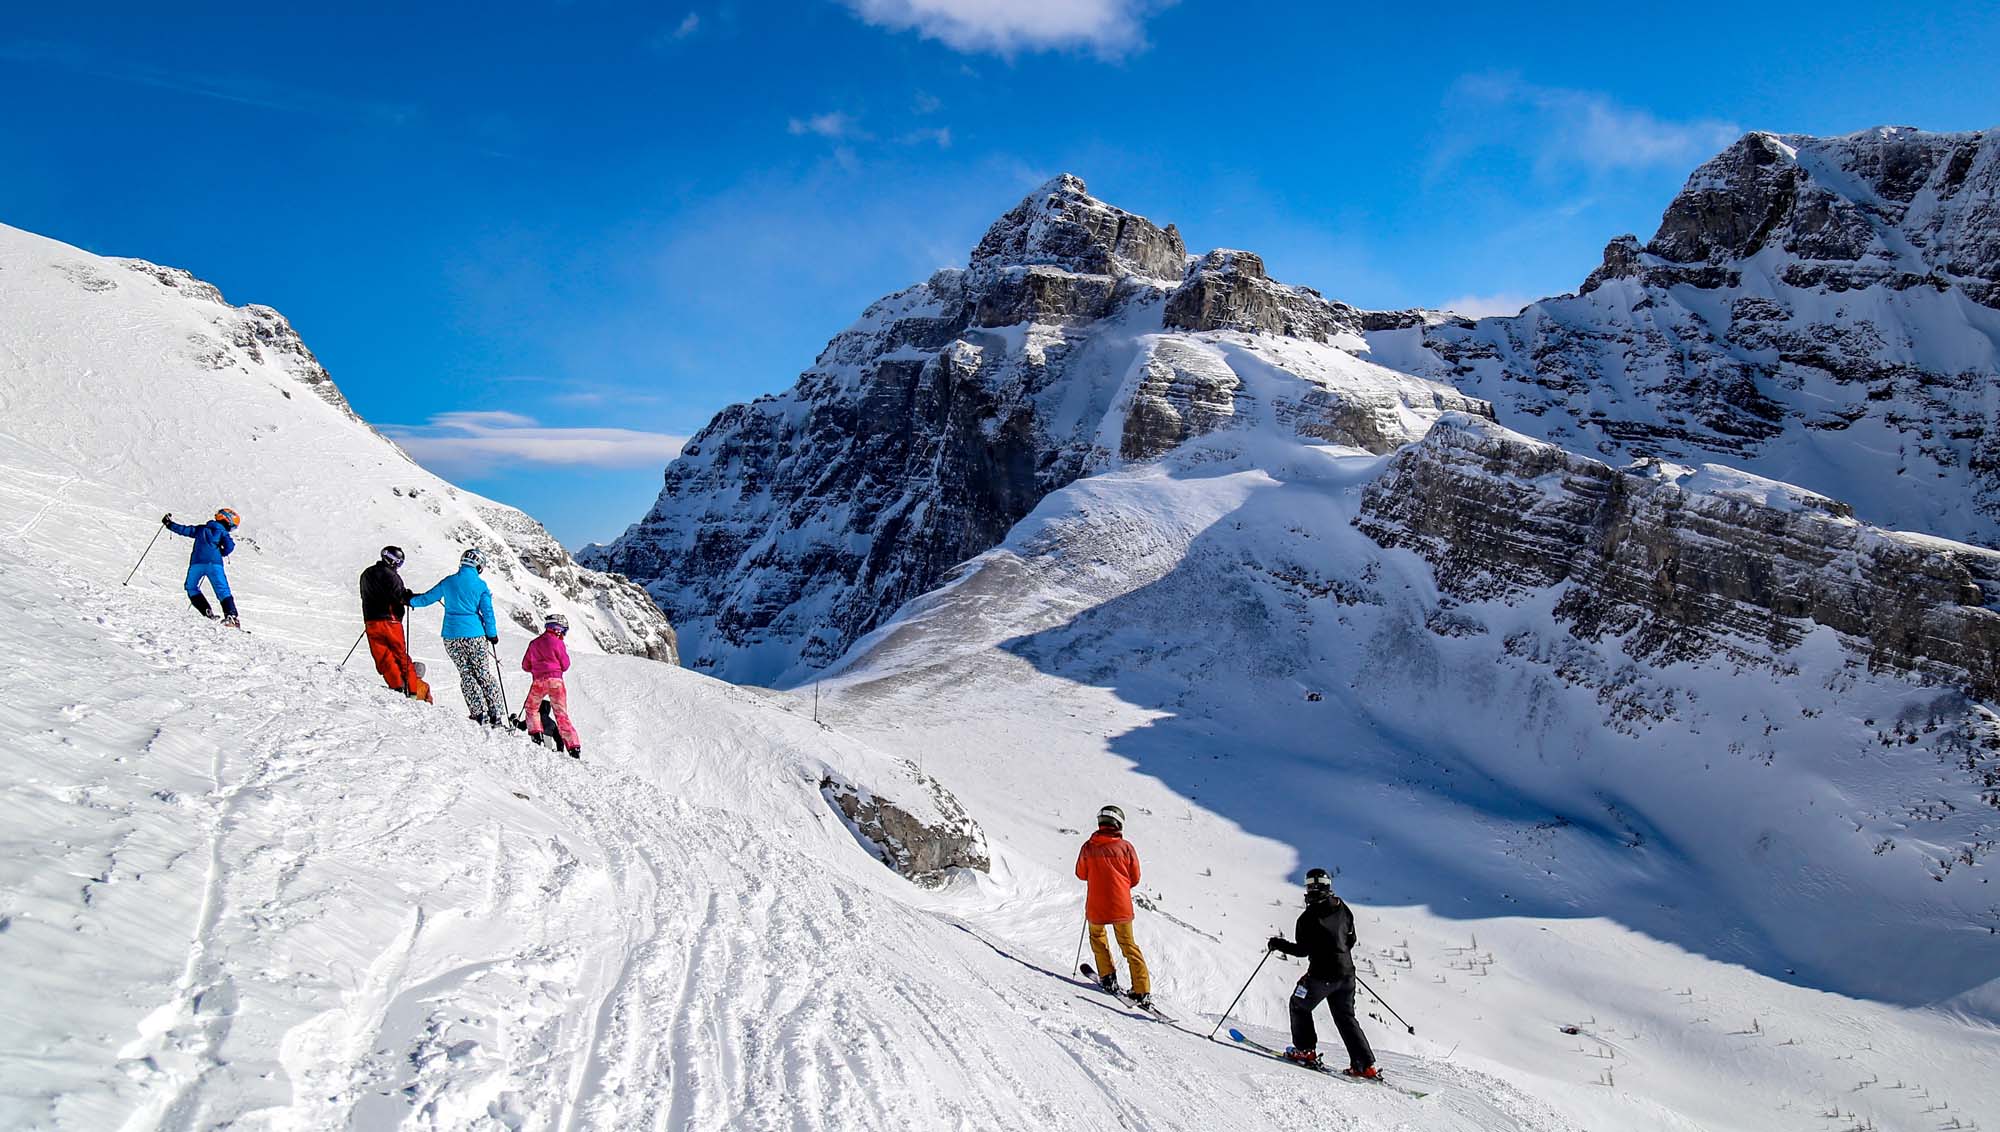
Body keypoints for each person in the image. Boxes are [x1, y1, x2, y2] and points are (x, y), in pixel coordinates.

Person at [1266, 867, 1377, 1077]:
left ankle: (1305, 1051)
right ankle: (1364, 1065)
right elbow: (1351, 939)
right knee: (1345, 1017)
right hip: (1346, 974)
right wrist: (1337, 954)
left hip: (1322, 976)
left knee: (1298, 1004)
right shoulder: (1342, 907)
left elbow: (1302, 950)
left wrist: (1277, 944)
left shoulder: (1307, 918)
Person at [409, 548, 504, 726]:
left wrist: (409, 600)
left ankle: (479, 713)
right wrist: (492, 634)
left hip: (451, 636)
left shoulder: (448, 581)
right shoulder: (481, 586)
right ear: (479, 566)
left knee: (466, 674)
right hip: (475, 635)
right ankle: (495, 713)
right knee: (483, 673)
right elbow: (488, 613)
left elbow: (427, 599)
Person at [1074, 804, 1152, 1008]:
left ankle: (1108, 977)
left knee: (1098, 939)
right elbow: (1135, 878)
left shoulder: (1088, 847)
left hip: (1096, 904)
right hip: (1121, 905)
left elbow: (1081, 874)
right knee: (1128, 945)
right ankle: (1142, 990)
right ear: (1118, 823)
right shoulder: (1126, 848)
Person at [359, 546, 430, 702]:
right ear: (393, 560)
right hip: (390, 622)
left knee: (383, 657)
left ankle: (396, 686)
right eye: (399, 562)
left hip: (371, 621)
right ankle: (412, 690)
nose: (398, 565)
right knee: (400, 655)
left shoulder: (366, 574)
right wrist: (411, 597)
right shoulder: (391, 576)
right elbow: (400, 596)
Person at [163, 508, 242, 628]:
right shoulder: (222, 532)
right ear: (227, 521)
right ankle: (231, 617)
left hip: (197, 563)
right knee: (222, 589)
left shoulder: (201, 529)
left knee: (191, 587)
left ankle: (207, 612)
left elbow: (184, 530)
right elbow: (229, 546)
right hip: (215, 564)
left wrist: (169, 524)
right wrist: (222, 552)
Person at [519, 613, 582, 756]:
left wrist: (537, 668)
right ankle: (573, 747)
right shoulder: (558, 643)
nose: (563, 634)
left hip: (539, 682)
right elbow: (565, 665)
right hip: (556, 682)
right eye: (563, 631)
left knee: (532, 708)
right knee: (561, 714)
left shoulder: (534, 643)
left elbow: (525, 666)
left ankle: (536, 735)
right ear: (558, 629)